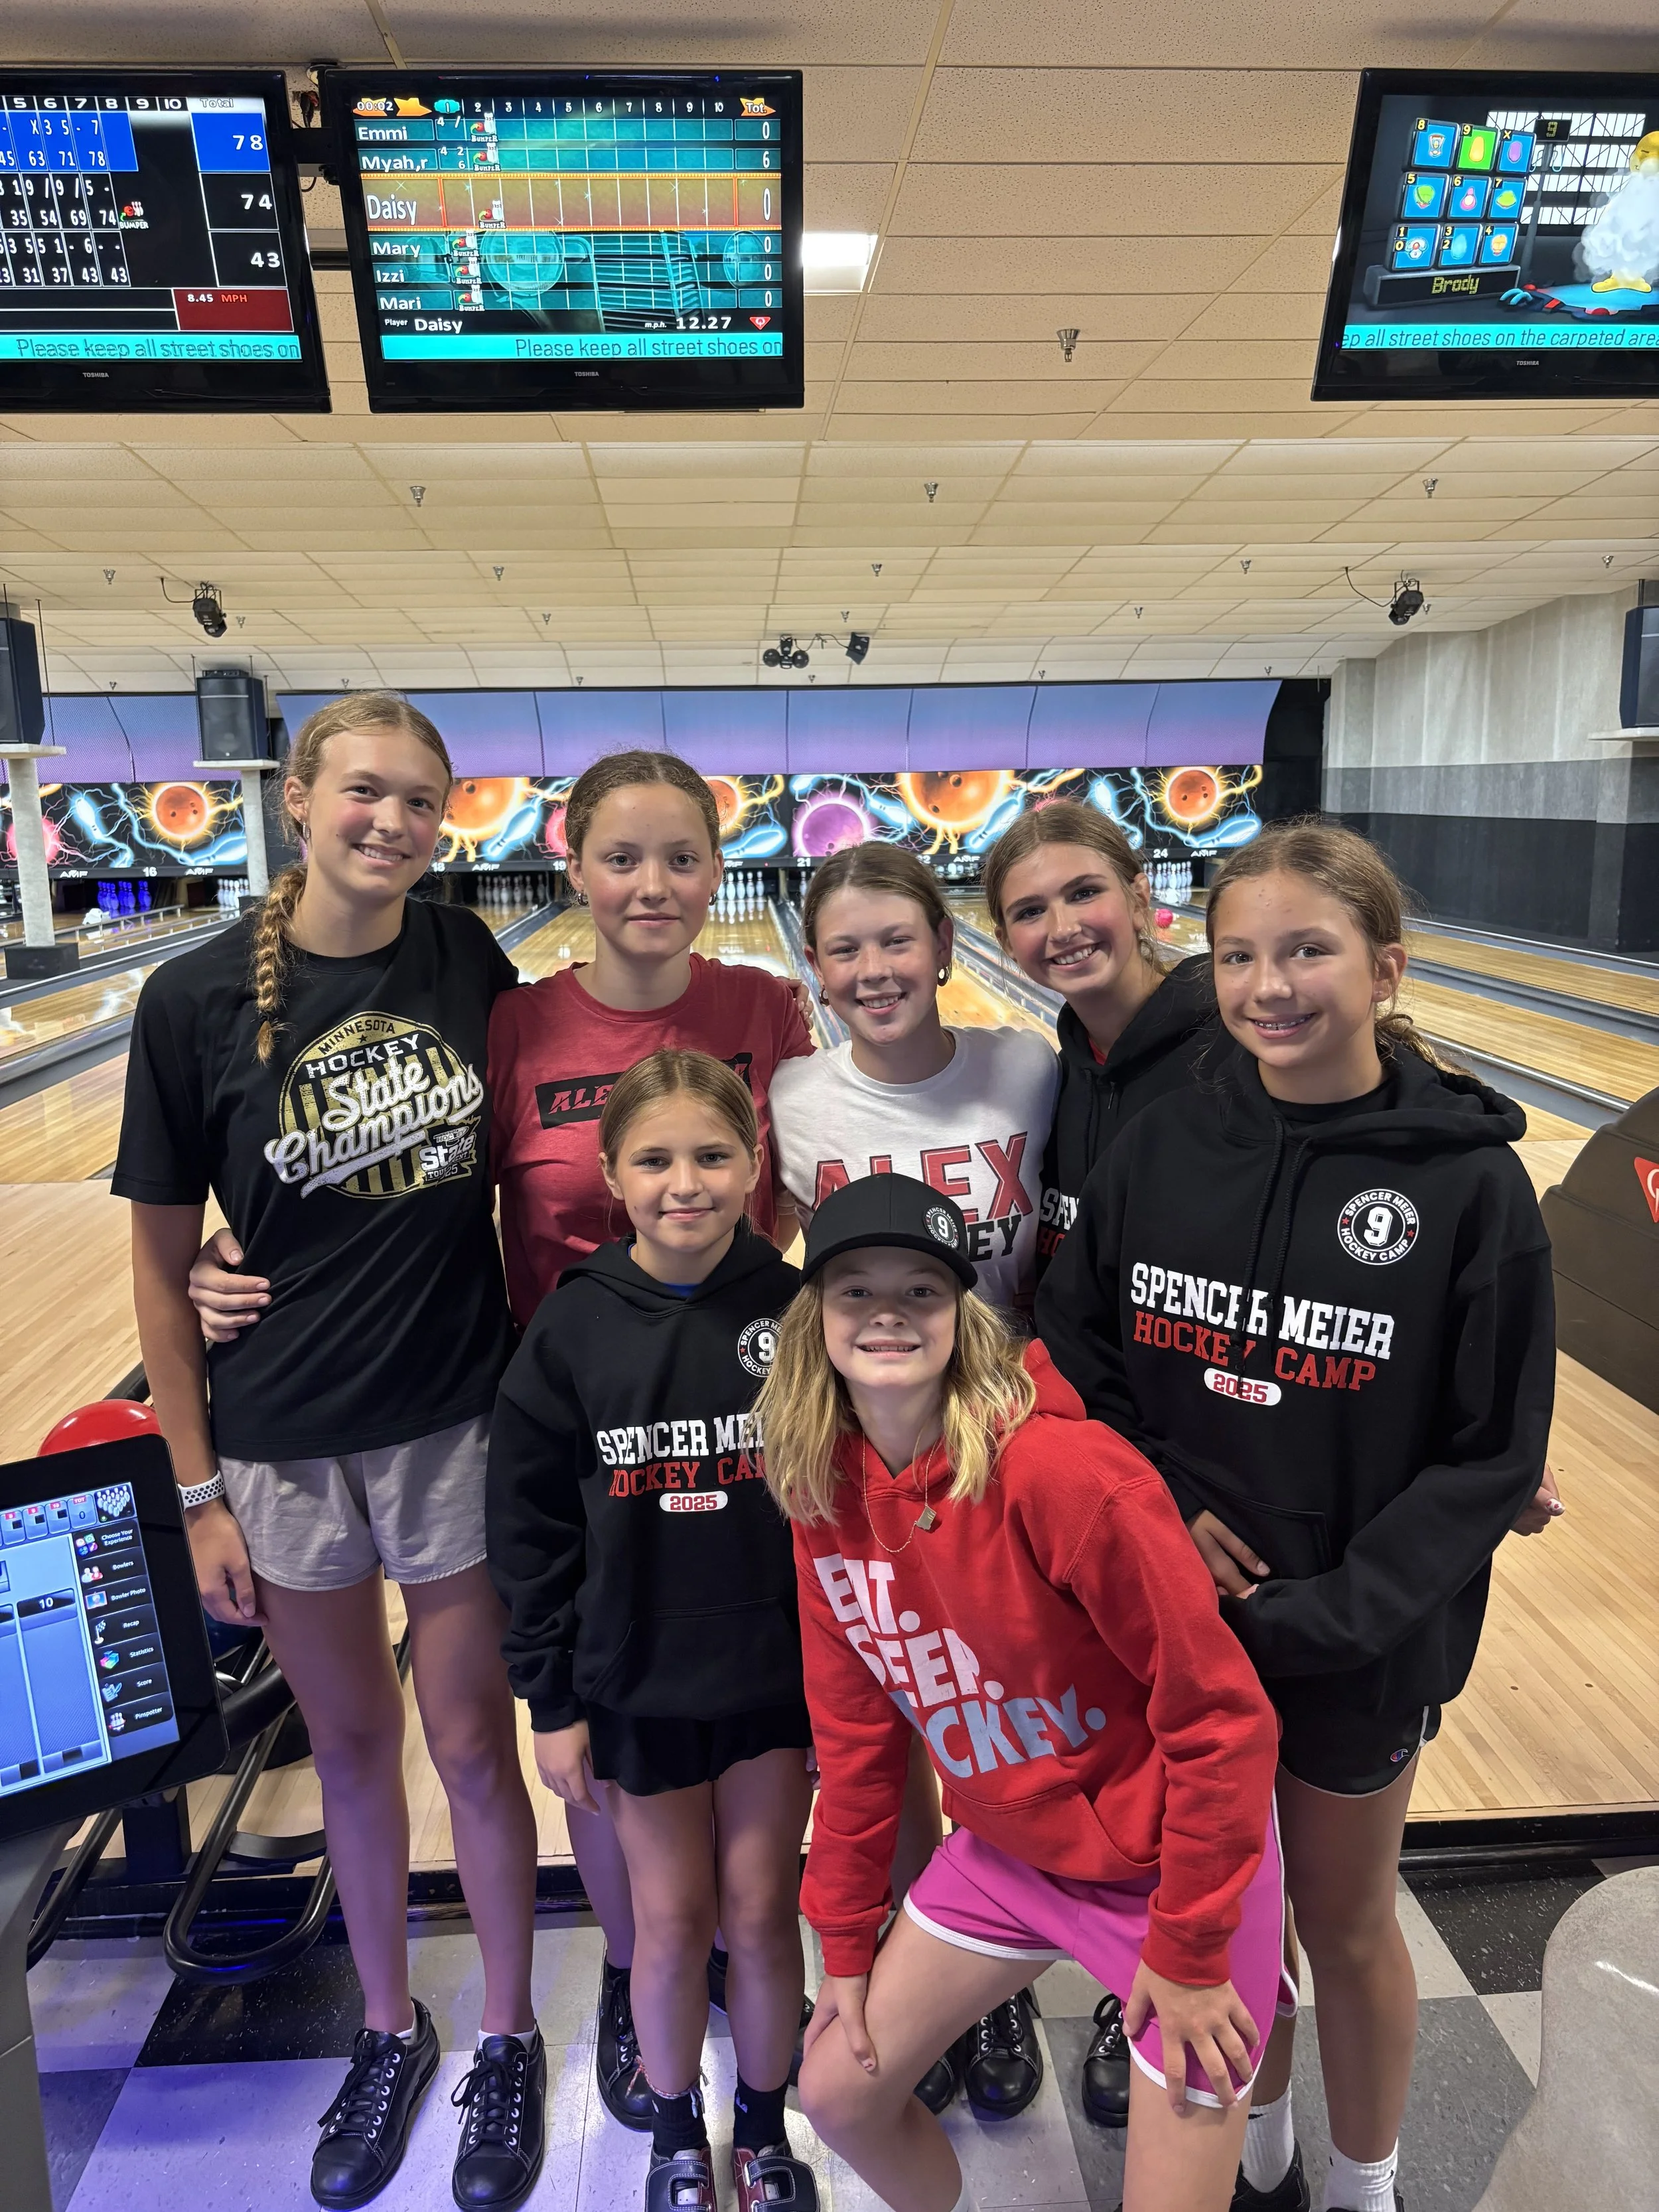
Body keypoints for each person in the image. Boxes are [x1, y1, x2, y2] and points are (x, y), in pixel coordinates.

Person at [185, 743, 815, 2131]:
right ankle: (642, 1954)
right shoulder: (509, 1010)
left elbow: (834, 1197)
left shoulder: (767, 1006)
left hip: (729, 1423)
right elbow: (380, 1167)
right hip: (555, 1438)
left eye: (682, 857)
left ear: (721, 866)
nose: (652, 886)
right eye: (620, 857)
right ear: (569, 860)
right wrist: (228, 1251)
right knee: (585, 1722)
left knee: (737, 1716)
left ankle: (731, 1949)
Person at [1036, 821, 1557, 2212]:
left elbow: (1489, 1451)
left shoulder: (1466, 1187)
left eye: (1306, 949)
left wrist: (1328, 1612)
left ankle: (1363, 2179)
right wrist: (1164, 1512)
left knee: (1339, 1917)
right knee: (1225, 1917)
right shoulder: (1164, 1145)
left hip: (1354, 1639)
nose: (1267, 984)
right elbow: (1075, 1348)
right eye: (1238, 955)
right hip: (1177, 1621)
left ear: (1381, 966)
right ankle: (1258, 2144)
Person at [116, 693, 543, 2212]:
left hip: (453, 1419)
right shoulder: (185, 1004)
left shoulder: (465, 959)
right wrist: (197, 1488)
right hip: (282, 1446)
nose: (397, 823)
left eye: (425, 802)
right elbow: (165, 1276)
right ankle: (386, 2027)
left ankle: (503, 2034)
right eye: (367, 791)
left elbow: (539, 1160)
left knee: (475, 1749)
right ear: (297, 796)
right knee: (353, 1756)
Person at [755, 1173, 1285, 2212]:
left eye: (921, 1290)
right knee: (836, 2093)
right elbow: (857, 1749)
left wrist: (1188, 1949)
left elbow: (1224, 1720)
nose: (889, 1314)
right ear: (816, 1320)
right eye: (857, 1291)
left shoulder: (1067, 1476)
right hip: (1011, 1847)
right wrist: (849, 1949)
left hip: (1170, 1862)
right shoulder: (823, 1497)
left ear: (965, 1315)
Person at [486, 1050, 815, 2212]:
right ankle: (681, 2135)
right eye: (658, 1159)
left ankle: (769, 2133)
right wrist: (552, 1700)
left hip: (773, 1677)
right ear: (613, 1176)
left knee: (765, 1910)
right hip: (630, 1680)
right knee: (670, 1923)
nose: (689, 1182)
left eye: (714, 1154)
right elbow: (527, 1533)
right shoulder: (574, 1328)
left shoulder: (797, 1310)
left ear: (753, 1162)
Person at [770, 840, 1060, 2118]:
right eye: (845, 947)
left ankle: (1001, 1990)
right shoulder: (789, 1097)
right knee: (883, 1739)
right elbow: (727, 1248)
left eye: (899, 939)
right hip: (870, 1459)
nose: (875, 967)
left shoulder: (1028, 1066)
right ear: (818, 971)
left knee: (1008, 1739)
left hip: (1012, 1456)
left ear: (946, 948)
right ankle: (907, 1976)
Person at [981, 800, 1216, 1285]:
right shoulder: (1053, 1082)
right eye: (1030, 911)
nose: (1063, 929)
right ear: (1006, 942)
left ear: (1138, 897)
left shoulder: (1233, 1049)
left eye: (1085, 892)